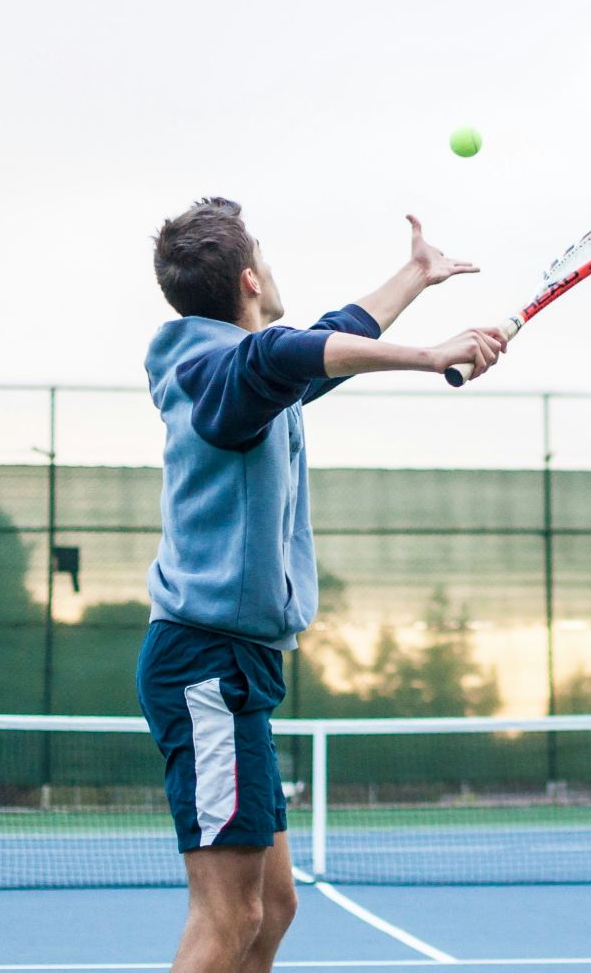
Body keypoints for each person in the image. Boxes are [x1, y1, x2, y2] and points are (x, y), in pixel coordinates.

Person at [136, 198, 504, 973]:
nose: (273, 271)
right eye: (265, 258)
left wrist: (415, 276)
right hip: (205, 666)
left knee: (271, 911)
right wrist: (430, 354)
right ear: (248, 280)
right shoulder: (219, 373)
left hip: (237, 668)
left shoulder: (238, 374)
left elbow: (316, 343)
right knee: (227, 915)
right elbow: (284, 355)